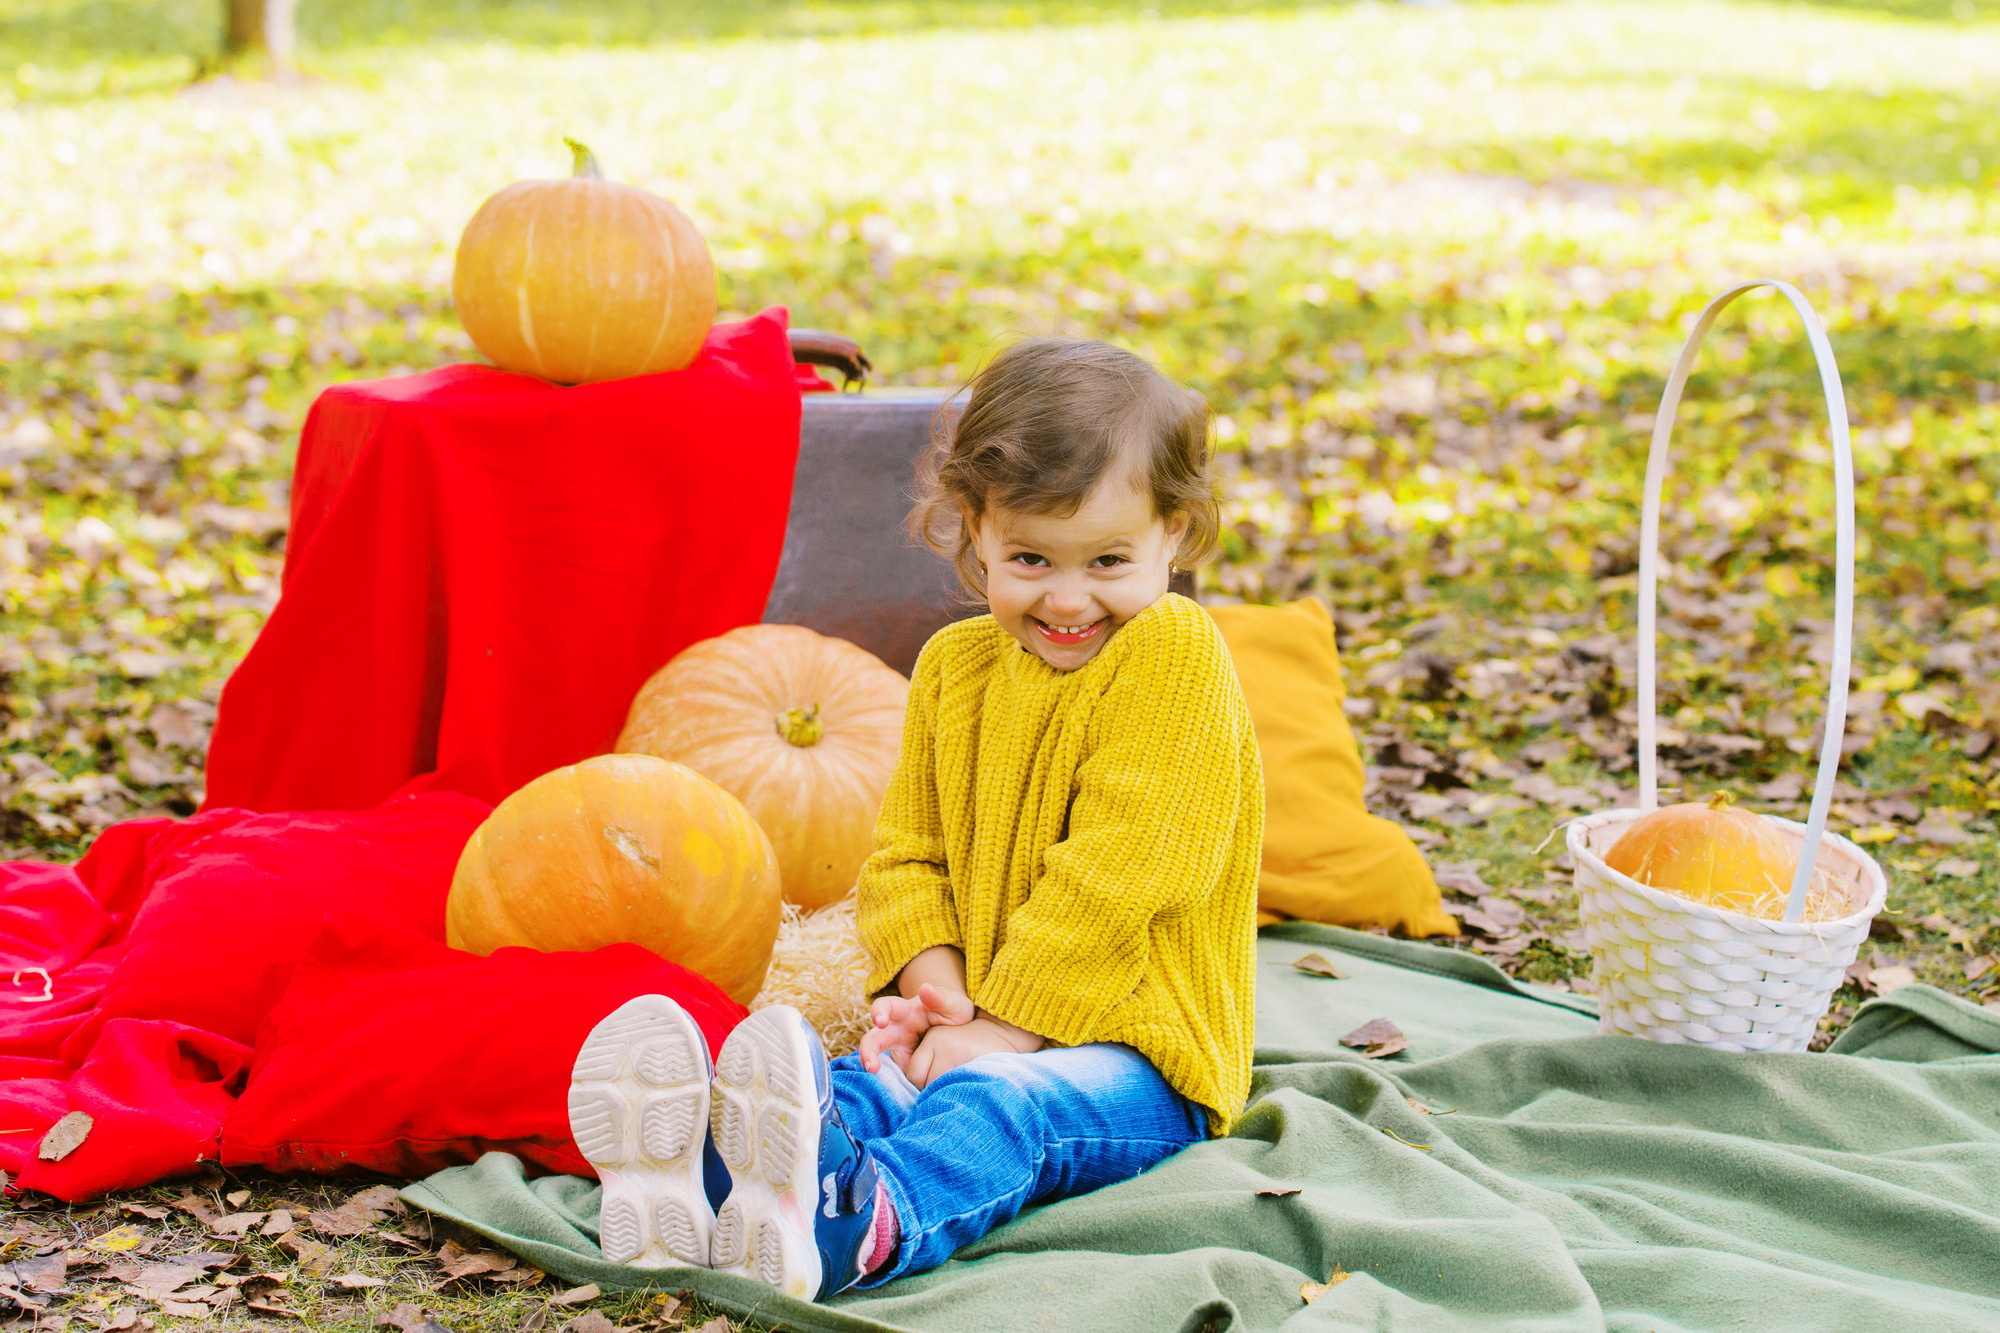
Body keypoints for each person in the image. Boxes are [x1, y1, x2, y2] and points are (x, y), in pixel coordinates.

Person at [566, 337, 1264, 1300]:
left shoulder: (1173, 653)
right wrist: (938, 996)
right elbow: (906, 856)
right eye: (1030, 557)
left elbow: (1128, 866)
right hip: (982, 1019)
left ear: (1173, 533)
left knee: (999, 1107)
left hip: (1143, 1056)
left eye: (1108, 559)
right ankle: (704, 1189)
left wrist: (1004, 1030)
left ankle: (861, 1223)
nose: (1068, 598)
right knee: (868, 1083)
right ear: (976, 528)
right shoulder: (953, 669)